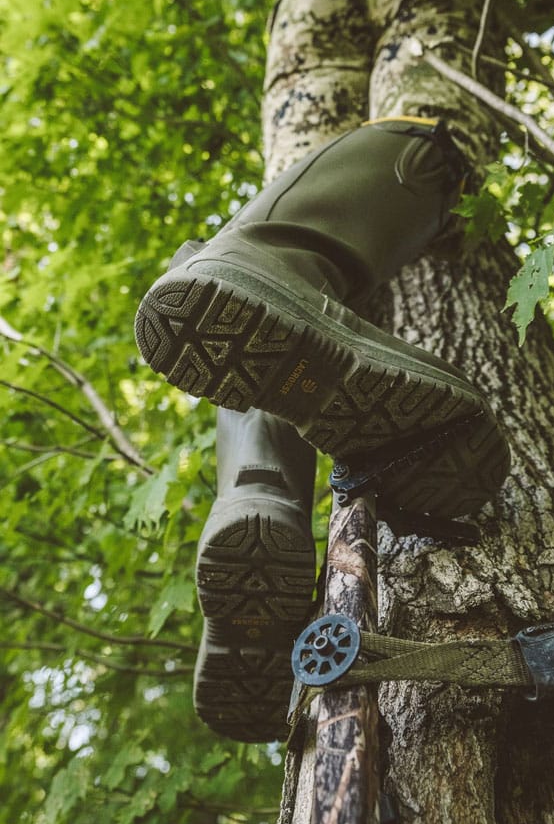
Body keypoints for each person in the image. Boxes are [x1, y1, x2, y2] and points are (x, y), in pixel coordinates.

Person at [135, 116, 510, 742]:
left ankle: (257, 495)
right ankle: (265, 263)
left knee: (248, 306)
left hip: (413, 198)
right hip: (426, 190)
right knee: (253, 304)